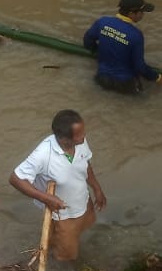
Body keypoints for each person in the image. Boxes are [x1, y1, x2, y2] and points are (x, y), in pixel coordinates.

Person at [9, 110, 107, 262]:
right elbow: (16, 179)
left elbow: (85, 163)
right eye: (79, 134)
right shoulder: (43, 154)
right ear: (64, 139)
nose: (84, 136)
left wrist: (97, 189)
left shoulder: (80, 142)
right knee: (66, 256)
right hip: (62, 213)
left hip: (82, 200)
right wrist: (46, 198)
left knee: (82, 230)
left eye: (83, 132)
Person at [82, 0, 162, 94]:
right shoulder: (136, 35)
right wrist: (158, 77)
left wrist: (100, 53)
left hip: (102, 79)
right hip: (125, 84)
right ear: (131, 13)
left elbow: (87, 42)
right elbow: (140, 66)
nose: (143, 15)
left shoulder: (102, 22)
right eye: (141, 12)